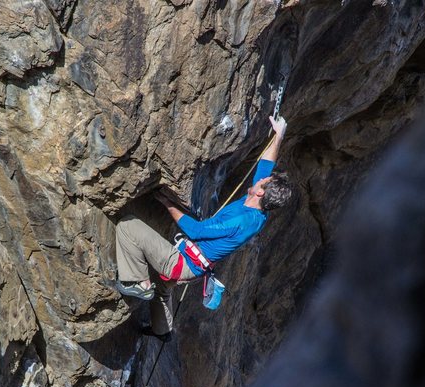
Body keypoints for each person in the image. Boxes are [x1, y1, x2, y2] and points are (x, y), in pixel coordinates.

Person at [115, 115, 292, 341]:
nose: (258, 180)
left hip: (181, 264)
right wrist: (279, 135)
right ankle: (162, 330)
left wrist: (168, 204)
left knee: (127, 225)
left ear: (260, 192)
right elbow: (266, 166)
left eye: (261, 183)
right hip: (194, 266)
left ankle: (137, 282)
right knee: (162, 287)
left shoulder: (241, 221)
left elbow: (197, 231)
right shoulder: (258, 207)